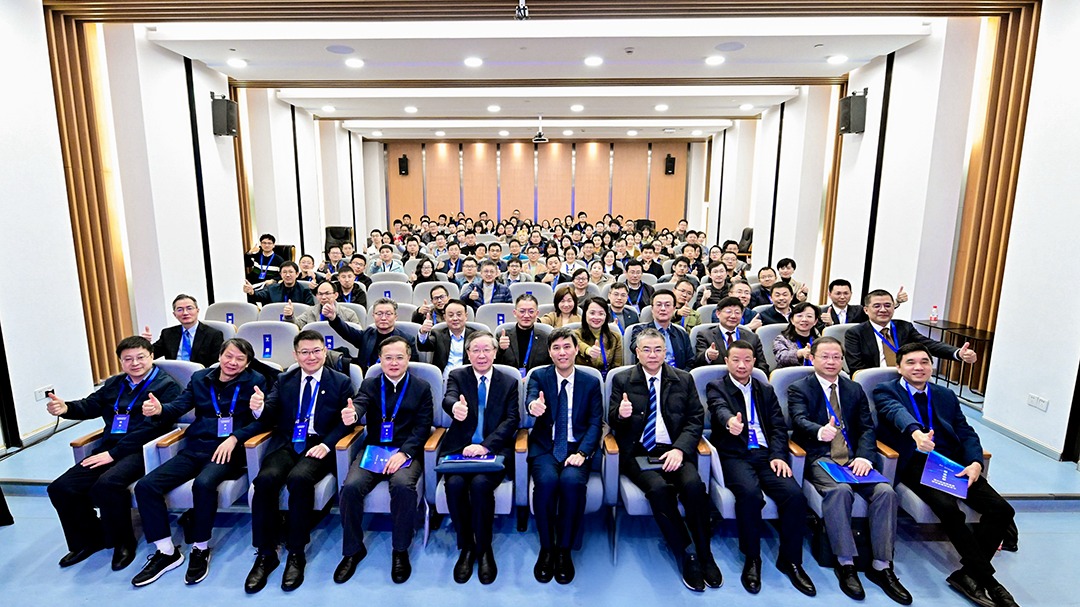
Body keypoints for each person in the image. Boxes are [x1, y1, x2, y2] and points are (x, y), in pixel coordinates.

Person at [874, 343, 1017, 607]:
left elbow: (965, 431)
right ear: (899, 367)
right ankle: (989, 581)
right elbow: (896, 412)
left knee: (1002, 510)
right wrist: (916, 433)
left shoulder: (945, 395)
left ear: (932, 366)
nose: (918, 367)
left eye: (924, 362)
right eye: (911, 362)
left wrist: (975, 462)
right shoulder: (886, 390)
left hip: (951, 463)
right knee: (948, 509)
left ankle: (969, 574)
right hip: (916, 464)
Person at [133, 338, 267, 587]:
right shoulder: (200, 378)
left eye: (240, 359)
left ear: (248, 363)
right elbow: (179, 406)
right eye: (229, 356)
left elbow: (263, 421)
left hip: (229, 451)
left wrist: (235, 438)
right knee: (146, 486)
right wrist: (160, 409)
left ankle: (200, 548)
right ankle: (166, 552)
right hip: (196, 447)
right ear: (220, 356)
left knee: (203, 484)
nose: (233, 362)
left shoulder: (255, 381)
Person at [787, 337, 911, 604]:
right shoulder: (800, 388)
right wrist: (819, 431)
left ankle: (882, 566)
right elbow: (798, 419)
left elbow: (866, 428)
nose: (831, 362)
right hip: (822, 458)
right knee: (840, 491)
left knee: (886, 492)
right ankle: (846, 563)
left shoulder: (853, 389)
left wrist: (865, 456)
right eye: (825, 357)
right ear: (812, 358)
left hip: (855, 459)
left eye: (836, 357)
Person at [46, 336, 182, 571]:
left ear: (151, 356)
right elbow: (90, 405)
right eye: (128, 359)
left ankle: (122, 543)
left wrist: (114, 454)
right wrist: (66, 408)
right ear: (120, 361)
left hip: (141, 450)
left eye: (141, 357)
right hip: (109, 448)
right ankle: (89, 540)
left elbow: (154, 428)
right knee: (61, 488)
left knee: (108, 484)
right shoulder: (114, 384)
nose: (135, 363)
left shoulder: (165, 386)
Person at [608, 328, 722, 592]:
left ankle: (705, 553)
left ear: (665, 353)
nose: (652, 355)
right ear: (637, 353)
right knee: (659, 489)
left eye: (658, 350)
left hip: (673, 449)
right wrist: (621, 415)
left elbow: (695, 419)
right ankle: (686, 553)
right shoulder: (622, 379)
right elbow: (612, 421)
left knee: (694, 487)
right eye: (646, 350)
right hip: (638, 452)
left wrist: (680, 449)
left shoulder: (683, 379)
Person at [243, 331, 353, 593]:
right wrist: (259, 408)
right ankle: (266, 553)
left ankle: (296, 552)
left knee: (299, 479)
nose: (311, 357)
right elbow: (270, 413)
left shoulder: (341, 381)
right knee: (264, 480)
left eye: (316, 351)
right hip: (288, 442)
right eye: (304, 352)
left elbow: (345, 422)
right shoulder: (285, 380)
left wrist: (327, 445)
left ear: (324, 352)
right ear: (295, 355)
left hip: (320, 445)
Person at [706, 341, 814, 596]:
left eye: (747, 360)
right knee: (750, 496)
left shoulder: (765, 389)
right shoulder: (717, 387)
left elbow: (778, 427)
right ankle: (752, 558)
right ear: (727, 361)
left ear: (754, 362)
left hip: (766, 455)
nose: (742, 365)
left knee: (794, 496)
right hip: (735, 455)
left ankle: (790, 560)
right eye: (736, 360)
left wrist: (778, 456)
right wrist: (730, 422)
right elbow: (719, 409)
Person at [336, 337, 433, 585]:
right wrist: (353, 414)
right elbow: (360, 404)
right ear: (379, 359)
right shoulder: (370, 384)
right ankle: (352, 550)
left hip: (405, 450)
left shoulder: (421, 387)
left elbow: (423, 427)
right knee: (351, 487)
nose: (394, 362)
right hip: (375, 449)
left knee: (402, 486)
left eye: (399, 357)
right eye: (388, 358)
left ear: (408, 358)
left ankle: (400, 550)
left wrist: (405, 453)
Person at [441, 332, 521, 584]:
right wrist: (454, 407)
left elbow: (512, 420)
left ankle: (484, 548)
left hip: (493, 451)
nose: (482, 355)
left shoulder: (508, 382)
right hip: (460, 449)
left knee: (480, 485)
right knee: (454, 485)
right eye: (475, 350)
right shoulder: (457, 376)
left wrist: (485, 446)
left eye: (487, 350)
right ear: (468, 354)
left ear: (495, 352)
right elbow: (449, 398)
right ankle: (466, 546)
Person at [525, 327, 604, 584]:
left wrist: (583, 452)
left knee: (571, 483)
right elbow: (531, 398)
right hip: (545, 446)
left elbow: (595, 423)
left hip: (577, 447)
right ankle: (547, 548)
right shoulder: (539, 376)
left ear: (576, 350)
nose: (562, 353)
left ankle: (564, 550)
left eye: (567, 347)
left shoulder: (590, 382)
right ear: (549, 352)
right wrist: (533, 406)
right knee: (547, 482)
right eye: (556, 348)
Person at [846, 289, 977, 374]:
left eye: (887, 305)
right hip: (875, 380)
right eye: (877, 306)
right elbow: (856, 367)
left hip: (907, 378)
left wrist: (957, 353)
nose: (883, 310)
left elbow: (929, 344)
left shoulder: (904, 327)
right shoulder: (856, 333)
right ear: (866, 310)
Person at [326, 297, 419, 371]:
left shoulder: (406, 340)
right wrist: (333, 318)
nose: (383, 318)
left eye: (388, 314)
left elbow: (413, 367)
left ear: (395, 316)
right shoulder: (367, 335)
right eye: (379, 313)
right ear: (373, 315)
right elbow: (347, 331)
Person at [142, 294, 224, 368]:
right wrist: (145, 343)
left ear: (197, 311)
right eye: (180, 309)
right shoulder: (168, 333)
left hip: (200, 376)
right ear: (174, 314)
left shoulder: (213, 334)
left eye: (189, 308)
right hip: (173, 375)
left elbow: (216, 365)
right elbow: (151, 355)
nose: (185, 313)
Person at [692, 296, 769, 375]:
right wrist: (708, 356)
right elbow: (696, 362)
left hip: (745, 378)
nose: (733, 316)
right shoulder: (705, 335)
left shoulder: (752, 337)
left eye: (737, 313)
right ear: (718, 313)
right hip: (715, 379)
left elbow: (762, 365)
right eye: (728, 312)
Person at [628, 289, 693, 370]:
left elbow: (690, 362)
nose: (663, 308)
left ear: (674, 309)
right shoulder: (640, 330)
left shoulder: (682, 333)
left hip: (678, 375)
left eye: (667, 305)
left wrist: (681, 376)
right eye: (659, 305)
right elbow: (635, 346)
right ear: (652, 309)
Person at [495, 294, 552, 374]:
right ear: (515, 313)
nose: (526, 315)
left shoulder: (545, 338)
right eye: (522, 311)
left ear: (537, 314)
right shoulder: (502, 337)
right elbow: (493, 365)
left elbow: (550, 367)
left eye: (531, 311)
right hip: (509, 380)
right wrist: (500, 350)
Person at [417, 298, 475, 370]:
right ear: (445, 317)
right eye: (451, 315)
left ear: (466, 316)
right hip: (444, 375)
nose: (455, 318)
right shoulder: (438, 334)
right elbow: (423, 346)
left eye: (459, 314)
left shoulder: (475, 336)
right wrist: (423, 332)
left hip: (467, 375)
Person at [574, 297, 622, 377]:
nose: (596, 317)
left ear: (606, 316)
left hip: (607, 379)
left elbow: (617, 368)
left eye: (601, 314)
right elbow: (578, 343)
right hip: (583, 379)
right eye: (592, 313)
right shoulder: (575, 334)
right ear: (585, 314)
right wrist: (588, 350)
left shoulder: (615, 337)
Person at [287, 281, 359, 328]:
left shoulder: (349, 314)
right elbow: (297, 326)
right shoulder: (310, 311)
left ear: (336, 295)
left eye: (327, 293)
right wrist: (289, 316)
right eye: (320, 294)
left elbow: (358, 335)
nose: (323, 297)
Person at [773, 302, 823, 369]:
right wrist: (800, 353)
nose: (804, 319)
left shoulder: (819, 340)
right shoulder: (782, 339)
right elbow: (781, 357)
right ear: (792, 320)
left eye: (809, 316)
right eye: (799, 316)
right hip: (790, 374)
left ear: (815, 321)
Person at [244, 261, 316, 306]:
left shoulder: (305, 290)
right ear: (280, 274)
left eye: (291, 272)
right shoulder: (272, 288)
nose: (287, 275)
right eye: (284, 272)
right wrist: (251, 292)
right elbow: (259, 296)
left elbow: (309, 309)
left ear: (297, 274)